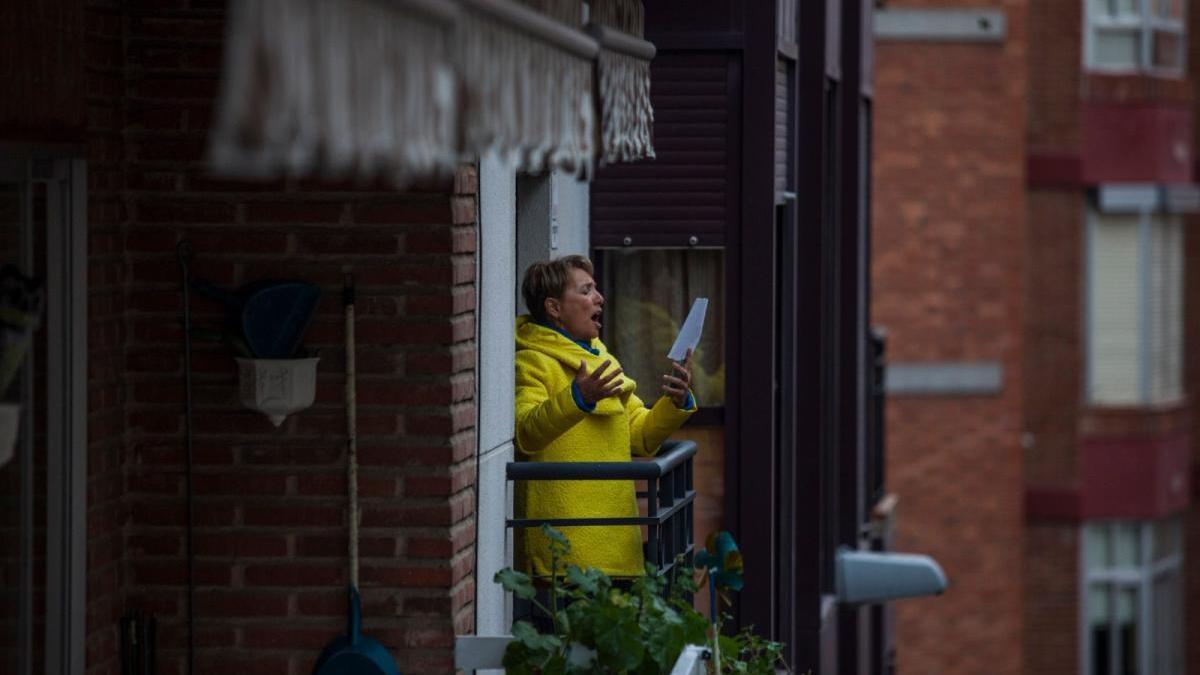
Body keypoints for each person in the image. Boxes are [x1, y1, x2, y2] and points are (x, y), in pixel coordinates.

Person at [514, 255, 696, 579]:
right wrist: (577, 398)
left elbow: (640, 436)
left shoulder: (598, 353)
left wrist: (675, 402)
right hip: (565, 552)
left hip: (617, 541)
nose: (599, 298)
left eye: (596, 289)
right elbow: (527, 434)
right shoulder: (532, 361)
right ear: (554, 308)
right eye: (586, 291)